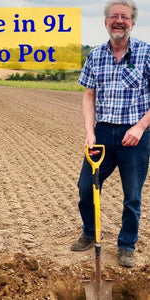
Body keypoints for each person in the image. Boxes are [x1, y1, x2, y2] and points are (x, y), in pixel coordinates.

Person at [72, 0, 150, 268]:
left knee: (133, 196)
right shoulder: (95, 55)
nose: (119, 20)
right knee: (86, 188)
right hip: (102, 134)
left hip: (135, 137)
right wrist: (90, 132)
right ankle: (89, 233)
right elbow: (88, 96)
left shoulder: (146, 53)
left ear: (132, 22)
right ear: (106, 22)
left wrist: (140, 127)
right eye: (114, 16)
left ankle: (127, 244)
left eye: (125, 17)